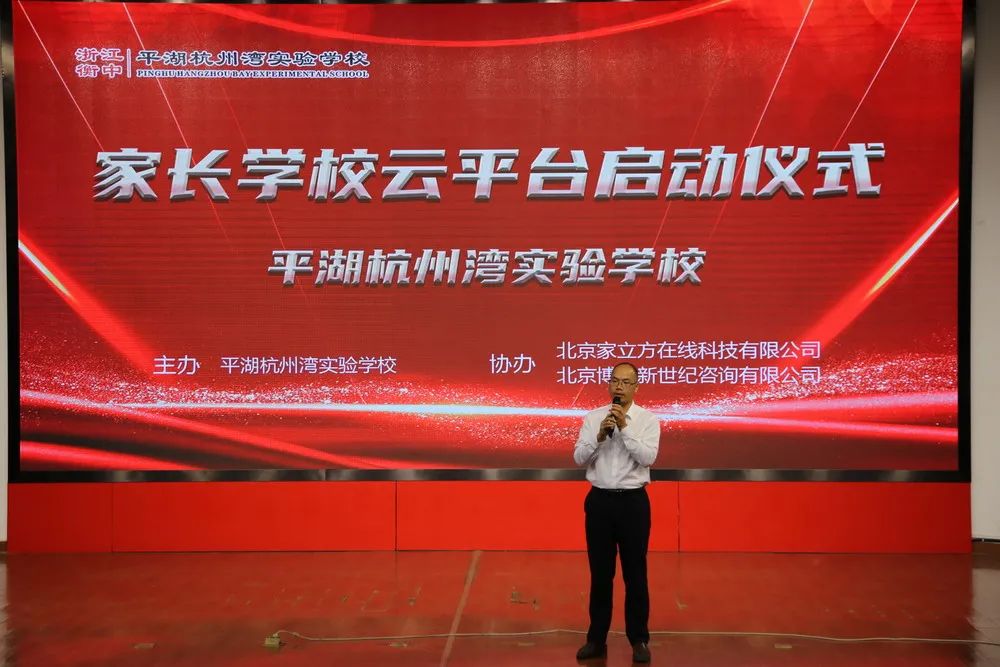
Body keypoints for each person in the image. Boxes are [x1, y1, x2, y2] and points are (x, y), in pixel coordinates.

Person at [573, 362, 660, 664]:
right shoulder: (594, 417)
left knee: (635, 574)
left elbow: (647, 458)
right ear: (609, 385)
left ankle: (639, 639)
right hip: (600, 502)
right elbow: (578, 457)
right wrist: (599, 436)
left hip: (633, 504)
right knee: (601, 574)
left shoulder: (647, 420)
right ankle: (596, 639)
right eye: (615, 381)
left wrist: (624, 428)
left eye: (626, 382)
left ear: (636, 387)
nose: (619, 386)